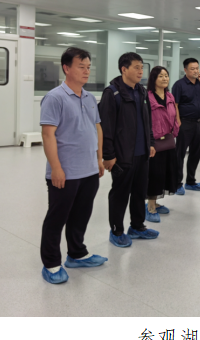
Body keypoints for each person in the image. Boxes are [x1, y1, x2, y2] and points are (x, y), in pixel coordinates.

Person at [40, 47, 107, 284]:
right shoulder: (54, 97)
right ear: (66, 68)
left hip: (89, 169)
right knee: (57, 218)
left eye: (89, 67)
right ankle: (51, 264)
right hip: (65, 171)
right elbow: (48, 135)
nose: (87, 71)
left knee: (81, 215)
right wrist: (56, 168)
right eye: (81, 67)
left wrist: (98, 158)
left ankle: (77, 254)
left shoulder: (89, 98)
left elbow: (97, 128)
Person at [100, 52, 158, 247]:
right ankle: (117, 231)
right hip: (123, 155)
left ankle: (137, 226)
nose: (141, 71)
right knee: (120, 194)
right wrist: (108, 155)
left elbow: (148, 121)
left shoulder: (142, 91)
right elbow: (106, 128)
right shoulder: (112, 93)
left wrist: (150, 142)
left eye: (142, 67)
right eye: (136, 67)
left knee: (139, 192)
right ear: (124, 69)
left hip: (142, 153)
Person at [171, 58, 200, 195]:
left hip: (198, 122)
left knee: (195, 154)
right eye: (192, 69)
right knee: (180, 154)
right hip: (185, 123)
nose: (196, 71)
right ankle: (177, 184)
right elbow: (175, 105)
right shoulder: (179, 85)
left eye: (197, 68)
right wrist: (178, 121)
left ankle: (191, 182)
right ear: (185, 70)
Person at [145, 66, 179, 223]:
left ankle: (156, 202)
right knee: (154, 174)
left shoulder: (170, 96)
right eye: (161, 76)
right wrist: (149, 142)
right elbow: (145, 121)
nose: (165, 78)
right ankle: (150, 207)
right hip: (154, 142)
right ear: (154, 79)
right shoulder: (147, 97)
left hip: (168, 140)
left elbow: (174, 116)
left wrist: (175, 129)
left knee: (165, 173)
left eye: (166, 75)